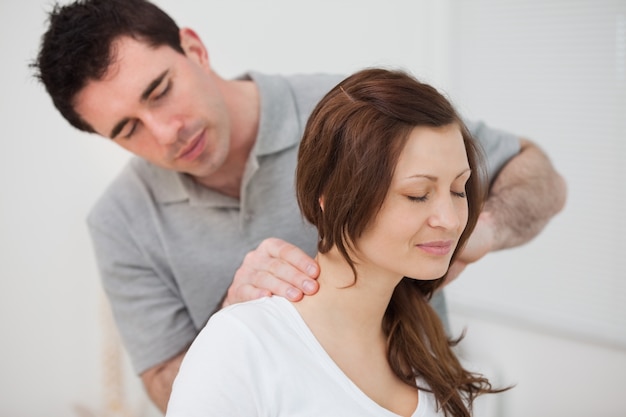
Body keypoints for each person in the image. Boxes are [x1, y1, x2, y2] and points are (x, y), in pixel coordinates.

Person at [31, 0, 566, 412]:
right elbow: (171, 389)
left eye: (160, 91)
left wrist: (469, 232)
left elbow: (538, 175)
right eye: (127, 129)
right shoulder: (121, 222)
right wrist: (233, 320)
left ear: (193, 48)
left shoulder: (352, 115)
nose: (165, 132)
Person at [166, 68, 508, 417]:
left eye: (457, 190)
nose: (450, 220)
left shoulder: (422, 338)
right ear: (334, 198)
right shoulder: (241, 345)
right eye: (417, 195)